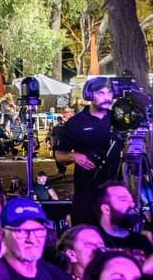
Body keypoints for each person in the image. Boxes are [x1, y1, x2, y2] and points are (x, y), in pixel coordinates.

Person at [51, 77, 120, 224]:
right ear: (89, 94)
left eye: (109, 93)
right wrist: (73, 155)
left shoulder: (118, 120)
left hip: (114, 192)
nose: (107, 98)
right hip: (86, 192)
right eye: (101, 93)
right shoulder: (76, 123)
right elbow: (59, 155)